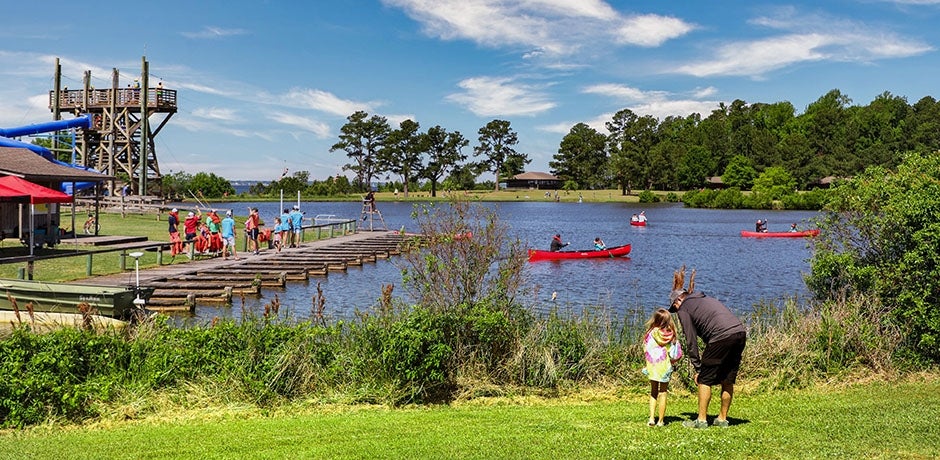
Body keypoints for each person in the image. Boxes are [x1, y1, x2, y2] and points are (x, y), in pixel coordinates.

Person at [669, 266, 747, 429]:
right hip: (739, 332)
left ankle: (702, 420)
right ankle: (722, 419)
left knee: (704, 379)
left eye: (674, 309)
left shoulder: (684, 308)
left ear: (678, 301)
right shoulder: (703, 299)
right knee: (727, 378)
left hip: (721, 336)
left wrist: (698, 368)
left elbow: (691, 340)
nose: (676, 312)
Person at [643, 308, 683, 427]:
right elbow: (674, 353)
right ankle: (661, 421)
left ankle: (651, 418)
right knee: (663, 392)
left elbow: (645, 348)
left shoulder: (650, 333)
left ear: (655, 319)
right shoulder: (672, 335)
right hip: (665, 367)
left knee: (653, 391)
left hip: (652, 366)